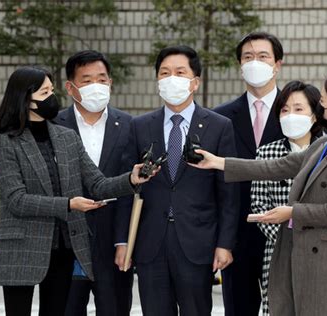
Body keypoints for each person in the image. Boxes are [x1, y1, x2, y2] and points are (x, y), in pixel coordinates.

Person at [191, 73, 327, 316]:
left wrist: (290, 213)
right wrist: (219, 163)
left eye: (324, 99)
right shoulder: (326, 144)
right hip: (299, 254)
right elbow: (278, 166)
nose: (321, 103)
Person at [0, 66, 154, 316]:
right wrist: (68, 204)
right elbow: (16, 200)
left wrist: (132, 178)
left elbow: (98, 184)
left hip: (64, 248)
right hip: (23, 247)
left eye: (52, 90)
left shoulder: (67, 138)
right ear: (26, 99)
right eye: (45, 92)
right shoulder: (7, 142)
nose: (52, 97)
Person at [117, 45, 238, 316]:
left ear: (195, 81)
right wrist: (122, 241)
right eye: (164, 72)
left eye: (180, 72)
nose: (171, 78)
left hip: (197, 242)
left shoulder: (219, 126)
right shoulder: (139, 126)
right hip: (150, 243)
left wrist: (225, 243)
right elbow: (127, 188)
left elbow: (228, 194)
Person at [54, 50, 133, 316]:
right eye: (87, 80)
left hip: (113, 242)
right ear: (70, 87)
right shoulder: (53, 126)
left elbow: (132, 191)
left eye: (101, 79)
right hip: (66, 242)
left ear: (110, 82)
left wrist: (124, 240)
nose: (96, 86)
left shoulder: (130, 126)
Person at [213, 31, 284, 315]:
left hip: (282, 234)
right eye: (248, 57)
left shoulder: (296, 112)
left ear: (278, 63)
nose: (255, 62)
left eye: (263, 56)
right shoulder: (220, 117)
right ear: (240, 65)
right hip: (236, 234)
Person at [250, 80, 323, 315]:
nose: (290, 115)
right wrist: (285, 236)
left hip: (320, 250)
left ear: (314, 115)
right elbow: (259, 205)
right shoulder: (267, 152)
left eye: (298, 109)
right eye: (284, 110)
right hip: (277, 252)